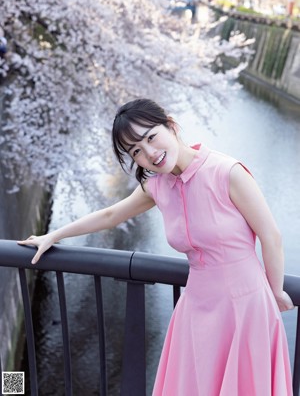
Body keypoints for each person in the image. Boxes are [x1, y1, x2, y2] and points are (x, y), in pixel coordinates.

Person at [18, 98, 294, 395]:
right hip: (197, 306)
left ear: (171, 125)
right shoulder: (158, 187)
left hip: (246, 304)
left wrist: (275, 290)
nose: (149, 153)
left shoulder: (227, 172)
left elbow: (271, 235)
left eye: (151, 137)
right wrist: (53, 236)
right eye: (136, 150)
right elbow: (111, 214)